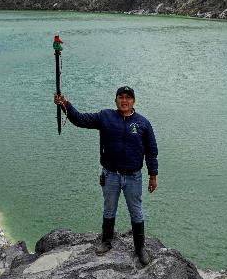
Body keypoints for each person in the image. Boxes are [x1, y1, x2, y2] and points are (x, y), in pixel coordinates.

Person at [53, 86, 158, 265]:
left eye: (128, 98)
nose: (124, 101)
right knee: (109, 209)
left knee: (136, 212)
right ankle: (106, 241)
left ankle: (140, 248)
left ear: (133, 101)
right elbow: (79, 119)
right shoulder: (105, 117)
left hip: (133, 177)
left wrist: (153, 175)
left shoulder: (143, 123)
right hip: (111, 175)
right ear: (115, 100)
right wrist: (65, 104)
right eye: (120, 97)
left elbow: (151, 151)